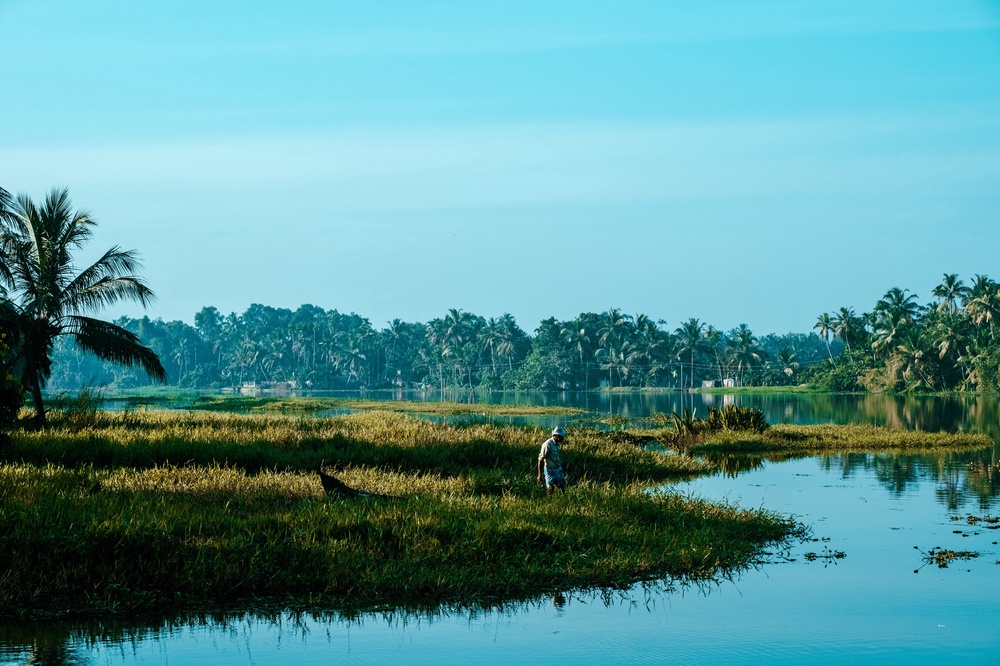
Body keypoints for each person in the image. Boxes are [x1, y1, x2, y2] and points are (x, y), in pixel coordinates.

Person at [537, 426, 567, 494]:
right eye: (561, 437)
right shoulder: (547, 444)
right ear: (556, 436)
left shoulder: (557, 444)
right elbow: (540, 460)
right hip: (549, 469)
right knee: (550, 488)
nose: (563, 438)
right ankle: (549, 500)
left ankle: (564, 497)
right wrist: (539, 475)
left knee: (562, 485)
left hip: (557, 468)